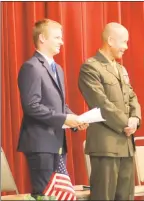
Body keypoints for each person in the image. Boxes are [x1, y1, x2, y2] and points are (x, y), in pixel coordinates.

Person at [17, 19, 88, 198]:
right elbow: (32, 106)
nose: (61, 42)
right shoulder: (31, 67)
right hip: (40, 144)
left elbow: (60, 105)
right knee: (46, 196)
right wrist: (65, 119)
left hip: (57, 143)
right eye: (57, 37)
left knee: (60, 195)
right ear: (42, 38)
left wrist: (75, 120)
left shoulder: (58, 68)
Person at [78, 22, 141, 200]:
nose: (126, 47)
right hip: (105, 145)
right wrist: (125, 123)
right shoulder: (91, 67)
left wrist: (135, 118)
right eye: (124, 42)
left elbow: (132, 96)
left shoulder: (121, 69)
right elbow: (101, 104)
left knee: (126, 196)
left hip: (126, 144)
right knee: (103, 196)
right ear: (111, 40)